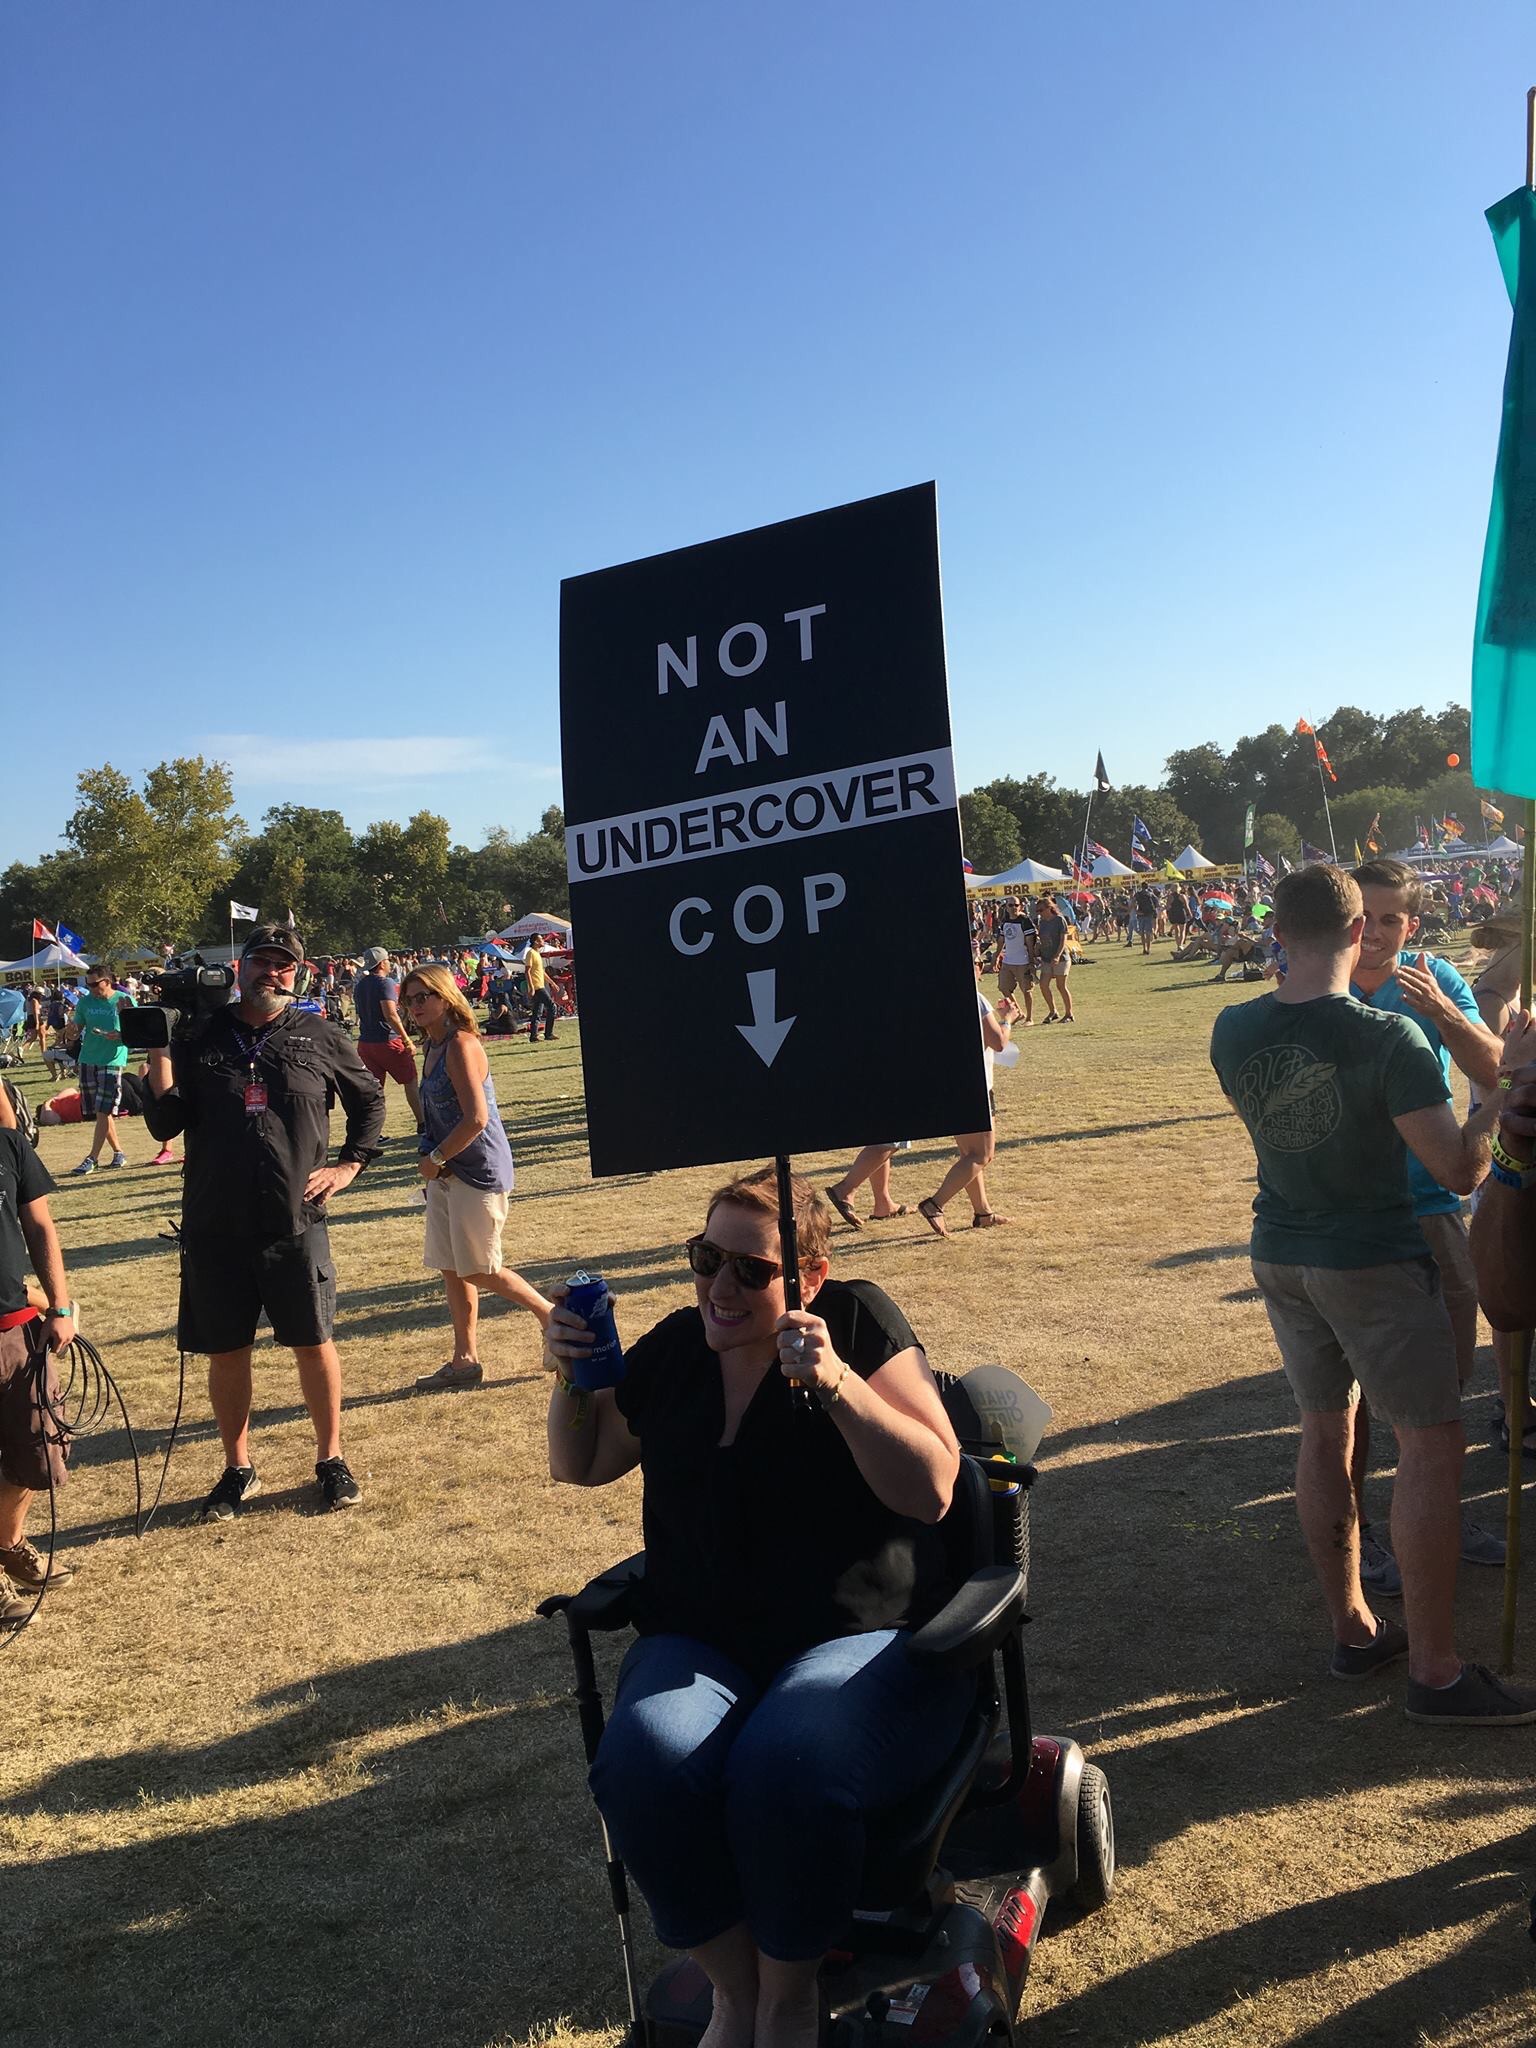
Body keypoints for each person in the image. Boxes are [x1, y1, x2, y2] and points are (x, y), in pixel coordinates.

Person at [544, 1168, 968, 2048]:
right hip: (701, 1638)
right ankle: (735, 1996)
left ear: (809, 1276)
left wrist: (839, 1385)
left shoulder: (855, 1321)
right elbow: (581, 1463)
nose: (721, 1287)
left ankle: (788, 2003)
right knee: (642, 1763)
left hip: (852, 1638)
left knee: (789, 1762)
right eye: (706, 1259)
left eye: (752, 1270)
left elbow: (935, 1488)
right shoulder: (678, 1347)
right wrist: (572, 1378)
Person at [1210, 863, 1535, 1724]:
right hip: (1375, 1261)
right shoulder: (1385, 1037)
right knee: (1430, 1444)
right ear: (1359, 932)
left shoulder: (1232, 1027)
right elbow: (1459, 1168)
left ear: (1277, 930)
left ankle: (1354, 1630)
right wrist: (1508, 1090)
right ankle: (1436, 1672)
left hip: (1282, 1251)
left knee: (1326, 1431)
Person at [141, 925, 386, 1520]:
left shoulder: (320, 1034)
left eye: (284, 965)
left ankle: (331, 1459)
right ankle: (238, 1467)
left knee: (313, 1342)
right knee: (227, 1350)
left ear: (297, 974)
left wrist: (350, 1165)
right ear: (240, 968)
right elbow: (165, 1124)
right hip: (215, 1221)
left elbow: (369, 1100)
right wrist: (158, 1049)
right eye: (261, 962)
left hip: (294, 1219)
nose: (271, 973)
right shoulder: (201, 1034)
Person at [1343, 859, 1508, 1590]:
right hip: (1352, 1214)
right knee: (1350, 1396)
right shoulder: (1319, 978)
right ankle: (1360, 1534)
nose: (1373, 933)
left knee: (1444, 1384)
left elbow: (1495, 1069)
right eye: (1362, 918)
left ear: (1411, 925)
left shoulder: (1434, 977)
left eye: (1390, 920)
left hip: (1434, 1204)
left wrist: (1444, 1012)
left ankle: (1441, 1513)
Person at [399, 963, 551, 1391]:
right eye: (409, 1000)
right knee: (452, 1268)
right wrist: (430, 1158)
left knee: (481, 1269)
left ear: (446, 996)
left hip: (477, 1171)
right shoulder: (431, 1046)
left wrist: (437, 1157)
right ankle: (464, 1360)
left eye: (423, 996)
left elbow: (476, 1119)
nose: (415, 1006)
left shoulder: (460, 1045)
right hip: (445, 1172)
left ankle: (551, 1315)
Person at [0, 1085, 78, 1626]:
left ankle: (8, 1543)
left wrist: (59, 1304)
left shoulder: (9, 1145)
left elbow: (40, 1225)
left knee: (38, 1453)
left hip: (16, 1331)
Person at [1463, 905, 1536, 1456]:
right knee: (1508, 1292)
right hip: (1503, 1149)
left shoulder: (1518, 996)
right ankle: (1514, 1409)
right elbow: (1495, 1082)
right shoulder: (1490, 998)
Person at [917, 970, 1015, 1234]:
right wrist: (1007, 1019)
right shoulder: (974, 997)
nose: (980, 966)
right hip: (974, 1086)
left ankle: (983, 1213)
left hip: (950, 1083)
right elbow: (998, 1043)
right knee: (982, 1155)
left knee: (970, 1155)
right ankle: (935, 1204)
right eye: (977, 960)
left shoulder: (933, 996)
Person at [67, 967, 132, 1174]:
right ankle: (119, 1153)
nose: (91, 988)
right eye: (88, 984)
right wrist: (71, 1032)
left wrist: (120, 1035)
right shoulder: (85, 1002)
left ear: (107, 981)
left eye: (95, 984)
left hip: (112, 1060)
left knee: (104, 1109)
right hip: (88, 1060)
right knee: (100, 1112)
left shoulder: (123, 1000)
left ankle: (92, 1158)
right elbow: (75, 1032)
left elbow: (136, 1031)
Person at [353, 947, 423, 1128]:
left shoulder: (360, 985)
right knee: (410, 1081)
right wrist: (407, 1039)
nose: (390, 963)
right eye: (388, 960)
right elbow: (390, 1014)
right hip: (387, 1041)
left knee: (374, 1090)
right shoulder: (385, 983)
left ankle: (372, 1131)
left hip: (365, 1043)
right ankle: (422, 1123)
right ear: (382, 963)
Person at [993, 898, 1035, 1024]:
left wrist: (1031, 962)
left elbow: (1030, 943)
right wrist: (996, 956)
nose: (1013, 908)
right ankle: (1018, 1013)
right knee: (1004, 987)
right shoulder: (1005, 921)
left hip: (1023, 961)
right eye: (1010, 905)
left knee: (1026, 990)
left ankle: (1029, 1018)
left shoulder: (1025, 921)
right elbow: (1001, 941)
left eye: (1016, 905)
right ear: (1006, 907)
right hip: (1008, 961)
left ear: (1020, 906)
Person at [1034, 897, 1074, 1022]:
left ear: (1049, 908)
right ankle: (1053, 1011)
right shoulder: (1042, 922)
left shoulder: (1059, 920)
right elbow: (1042, 939)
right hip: (1046, 958)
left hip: (1061, 958)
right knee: (1043, 984)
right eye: (1037, 911)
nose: (1039, 913)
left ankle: (1069, 1014)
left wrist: (1057, 955)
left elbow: (1063, 940)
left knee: (1061, 986)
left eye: (1041, 910)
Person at [523, 938, 558, 1043]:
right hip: (537, 987)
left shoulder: (537, 954)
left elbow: (541, 972)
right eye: (541, 939)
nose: (543, 941)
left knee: (537, 1012)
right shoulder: (530, 953)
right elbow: (527, 971)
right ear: (535, 942)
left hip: (540, 985)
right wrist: (531, 987)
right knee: (552, 1007)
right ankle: (548, 1034)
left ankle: (533, 1036)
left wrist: (552, 983)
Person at [1132, 881, 1157, 956]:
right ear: (1147, 886)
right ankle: (1148, 949)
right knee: (1148, 932)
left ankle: (1144, 948)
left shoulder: (1137, 894)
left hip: (1141, 914)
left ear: (1141, 886)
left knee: (1142, 933)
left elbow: (1133, 902)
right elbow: (1156, 903)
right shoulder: (1150, 894)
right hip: (1149, 914)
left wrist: (1136, 911)